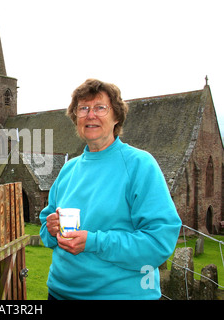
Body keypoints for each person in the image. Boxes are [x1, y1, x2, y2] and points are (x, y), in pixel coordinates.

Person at [39, 79, 182, 300]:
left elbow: (159, 242)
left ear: (116, 117)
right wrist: (50, 230)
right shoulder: (68, 169)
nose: (90, 115)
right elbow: (46, 229)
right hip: (59, 292)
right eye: (83, 109)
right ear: (75, 117)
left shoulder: (139, 165)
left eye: (100, 108)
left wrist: (94, 242)